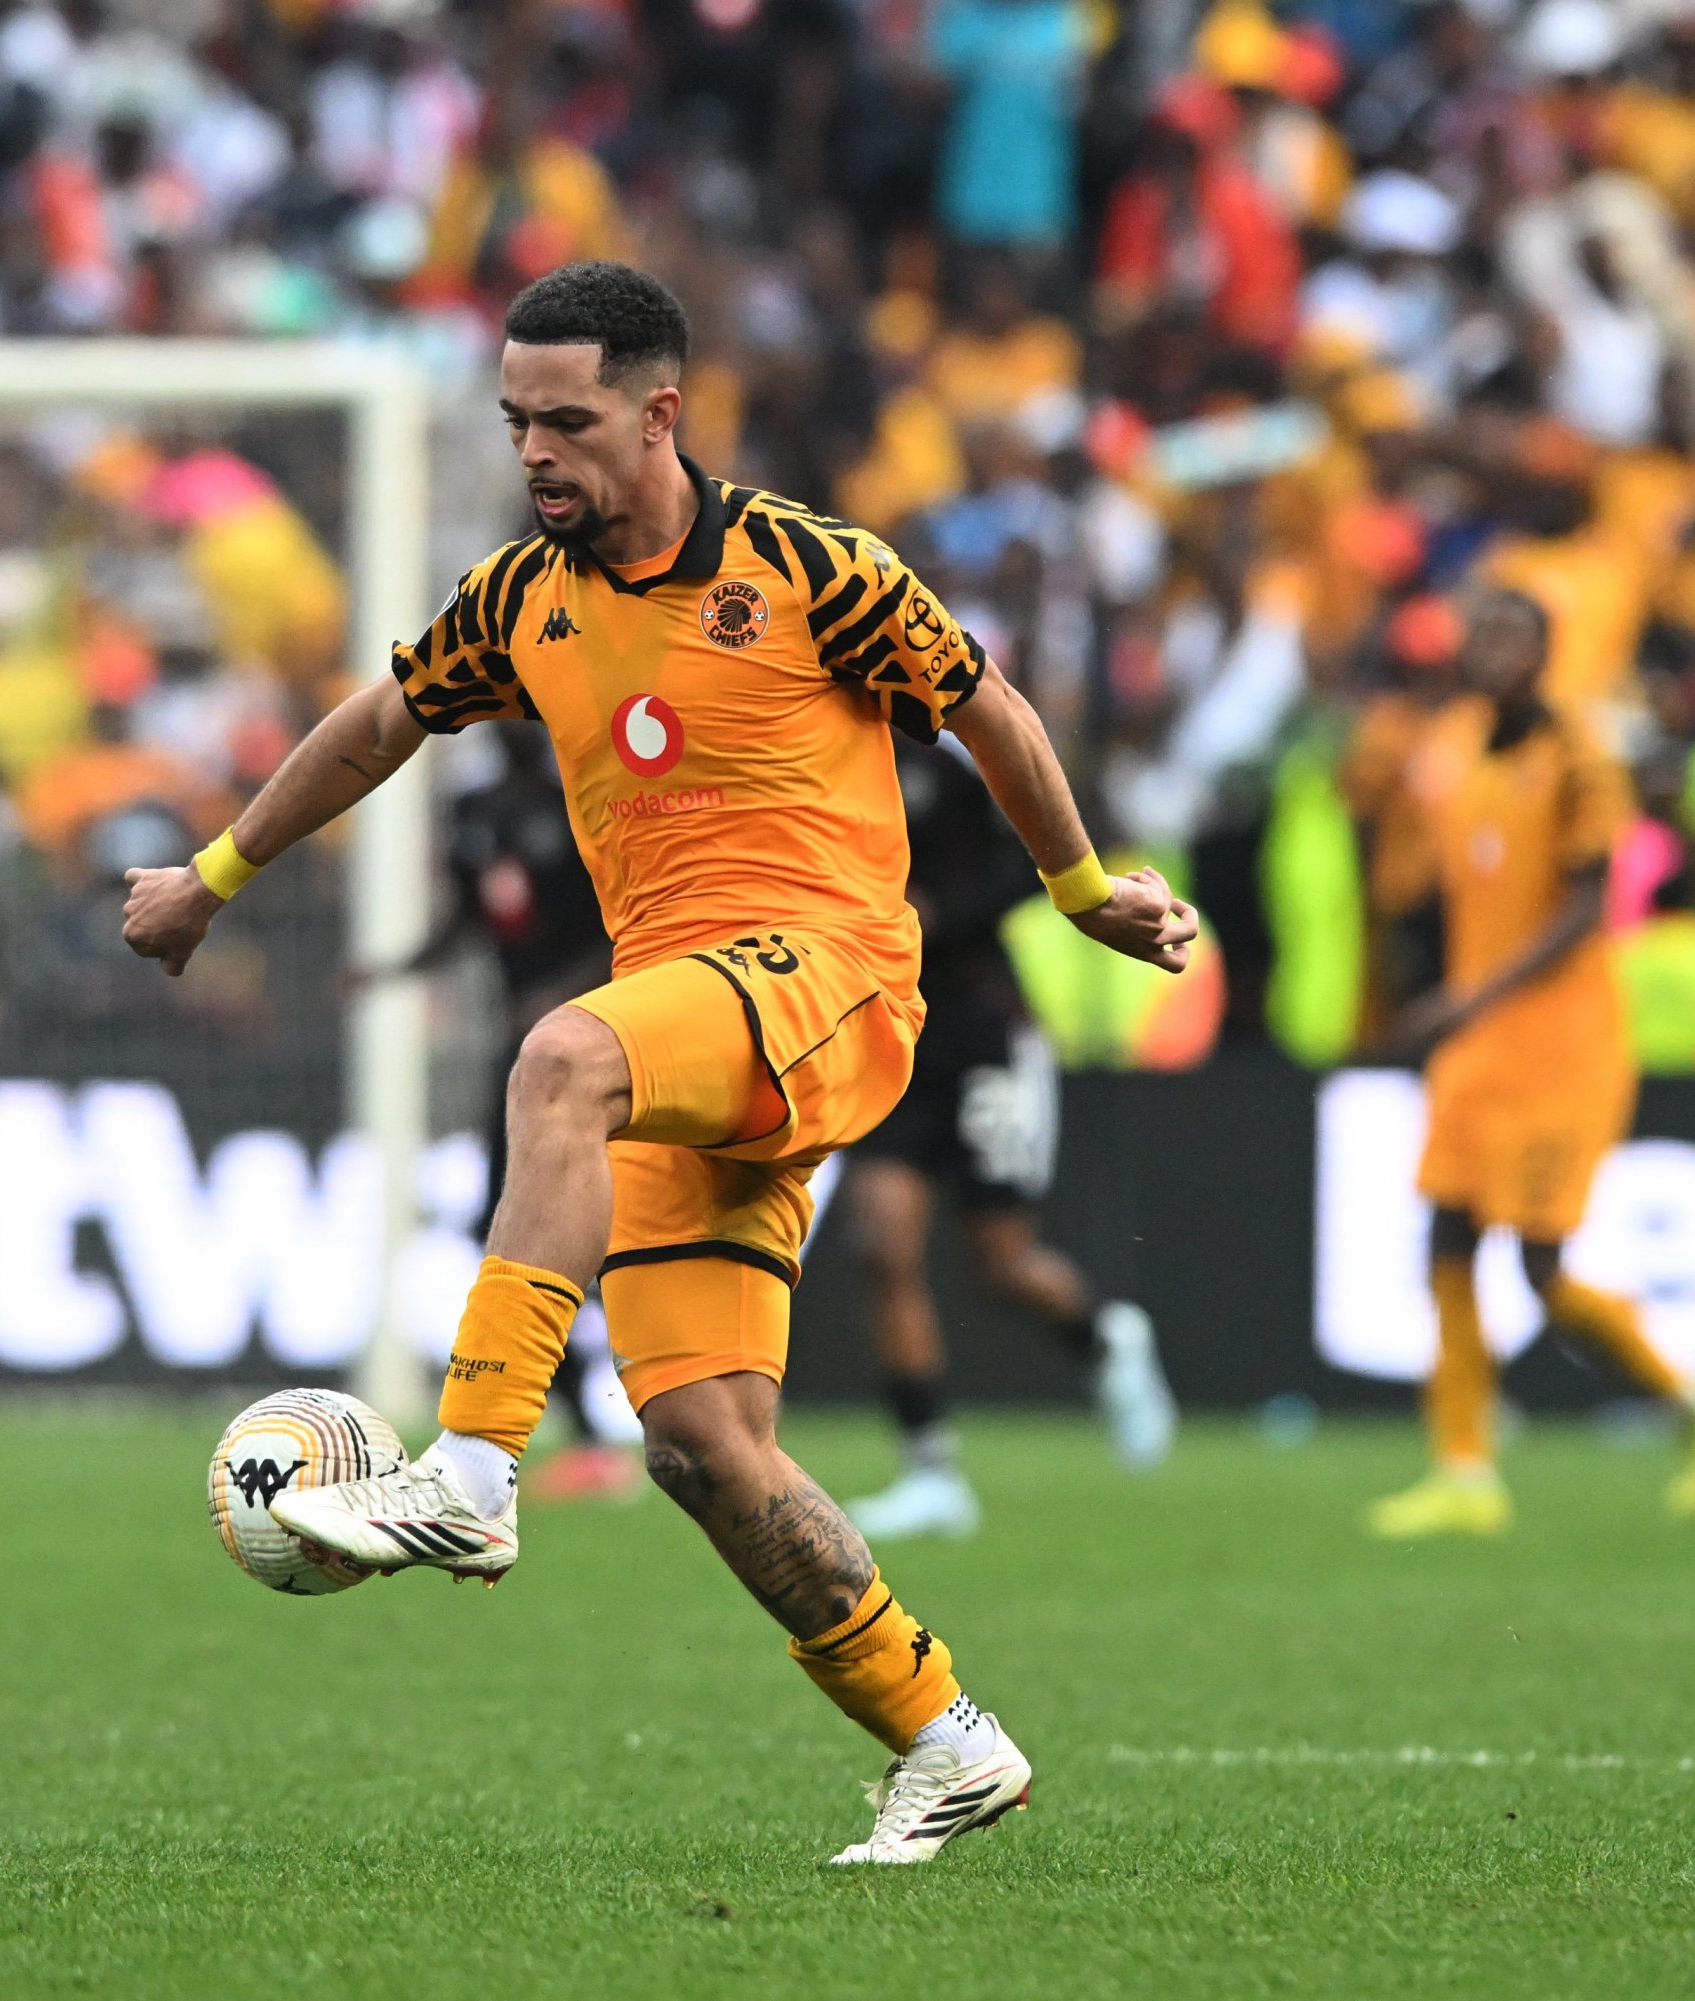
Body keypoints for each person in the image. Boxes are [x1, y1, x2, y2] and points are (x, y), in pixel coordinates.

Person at [124, 262, 1195, 1864]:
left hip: (833, 981)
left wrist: (1079, 886)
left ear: (659, 412)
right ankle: (944, 1735)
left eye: (565, 421)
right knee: (703, 1445)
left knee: (561, 1058)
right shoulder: (519, 599)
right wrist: (215, 874)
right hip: (694, 1025)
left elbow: (993, 714)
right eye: (515, 421)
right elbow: (376, 724)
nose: (533, 451)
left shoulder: (812, 567)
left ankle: (470, 1466)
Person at [1365, 589, 1695, 1540]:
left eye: (1514, 637)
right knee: (1446, 1233)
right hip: (1480, 1041)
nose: (1494, 651)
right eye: (1483, 635)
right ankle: (1464, 1469)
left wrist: (1471, 996)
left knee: (1539, 1266)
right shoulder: (1458, 748)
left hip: (1560, 1043)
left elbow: (1587, 905)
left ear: (1544, 654)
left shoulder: (1580, 757)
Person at [841, 733, 1176, 1544]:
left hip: (982, 1033)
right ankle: (931, 1470)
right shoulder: (815, 747)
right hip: (887, 1032)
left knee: (1002, 1260)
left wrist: (938, 912)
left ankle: (1105, 1337)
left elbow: (1032, 858)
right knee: (881, 1246)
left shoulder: (945, 757)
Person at [391, 723, 638, 1500]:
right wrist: (395, 969)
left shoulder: (590, 801)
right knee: (507, 1230)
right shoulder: (475, 810)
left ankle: (661, 1390)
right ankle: (590, 1434)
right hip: (526, 1056)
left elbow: (627, 921)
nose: (514, 718)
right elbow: (469, 915)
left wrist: (564, 991)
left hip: (607, 1041)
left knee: (605, 1231)